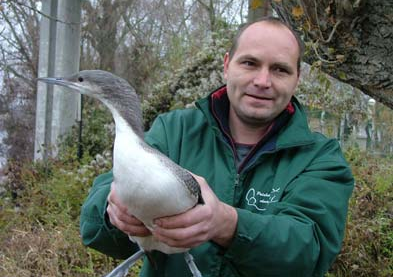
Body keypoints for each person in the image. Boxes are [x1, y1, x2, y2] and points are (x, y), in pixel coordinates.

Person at [80, 17, 354, 277]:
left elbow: (311, 253)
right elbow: (94, 226)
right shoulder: (174, 131)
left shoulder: (320, 158)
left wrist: (228, 224)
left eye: (280, 69)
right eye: (249, 63)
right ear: (226, 65)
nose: (262, 81)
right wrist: (112, 212)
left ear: (297, 78)